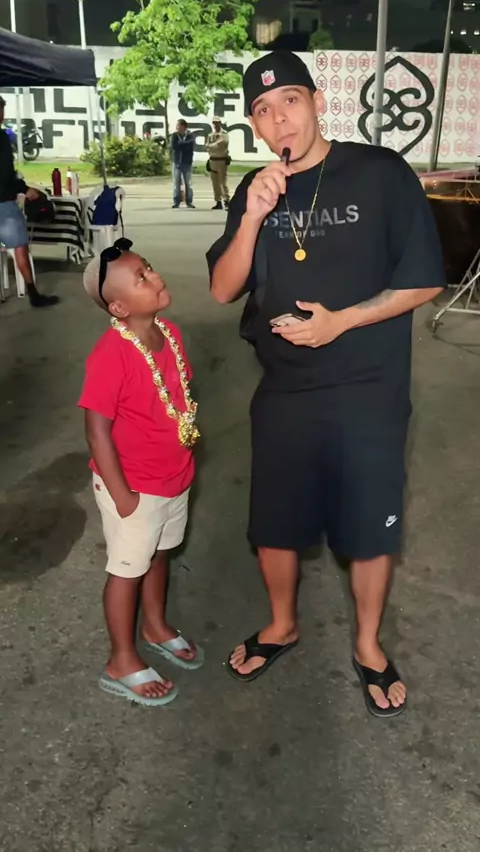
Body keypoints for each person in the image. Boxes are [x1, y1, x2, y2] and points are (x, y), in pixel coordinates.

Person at [207, 51, 445, 717]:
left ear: (316, 102)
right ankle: (282, 624)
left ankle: (368, 644)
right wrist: (251, 217)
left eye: (289, 100)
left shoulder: (380, 173)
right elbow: (223, 289)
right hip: (285, 389)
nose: (278, 118)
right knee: (275, 522)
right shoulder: (255, 189)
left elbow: (425, 280)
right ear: (254, 126)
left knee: (371, 528)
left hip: (369, 388)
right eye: (262, 110)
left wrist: (341, 322)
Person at [78, 237, 203, 707]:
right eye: (142, 278)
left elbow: (175, 396)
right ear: (119, 307)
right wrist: (123, 497)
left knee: (160, 554)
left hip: (174, 477)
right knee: (127, 570)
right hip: (132, 487)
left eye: (148, 268)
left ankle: (154, 625)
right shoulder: (110, 355)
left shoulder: (169, 333)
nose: (156, 277)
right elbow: (96, 433)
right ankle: (121, 658)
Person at [0, 96, 58, 307]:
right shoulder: (2, 138)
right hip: (4, 205)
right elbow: (5, 173)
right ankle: (33, 293)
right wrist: (24, 189)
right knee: (20, 248)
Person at [206, 117, 230, 210]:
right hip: (213, 160)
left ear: (220, 123)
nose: (215, 125)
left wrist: (211, 146)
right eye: (214, 123)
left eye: (217, 123)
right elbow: (207, 146)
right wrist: (212, 146)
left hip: (221, 160)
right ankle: (218, 201)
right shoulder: (210, 135)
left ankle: (226, 200)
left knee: (222, 182)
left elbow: (222, 143)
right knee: (215, 183)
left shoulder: (223, 134)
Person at [170, 119, 195, 209]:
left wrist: (181, 144)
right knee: (176, 183)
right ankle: (176, 202)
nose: (177, 127)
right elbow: (174, 146)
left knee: (188, 183)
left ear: (184, 127)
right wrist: (183, 145)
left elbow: (191, 145)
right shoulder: (174, 135)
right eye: (177, 126)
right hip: (177, 162)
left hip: (187, 162)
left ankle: (189, 201)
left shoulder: (190, 135)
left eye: (179, 126)